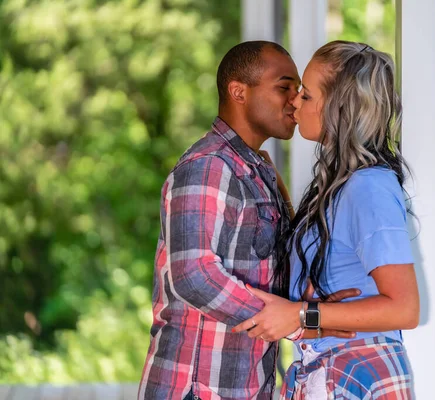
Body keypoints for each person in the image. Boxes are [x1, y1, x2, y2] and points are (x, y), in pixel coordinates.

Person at [138, 40, 358, 400]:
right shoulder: (209, 166)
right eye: (283, 87)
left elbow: (272, 275)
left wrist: (316, 309)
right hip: (196, 389)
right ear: (238, 91)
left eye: (300, 91)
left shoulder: (257, 170)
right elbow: (194, 275)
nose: (295, 99)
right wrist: (300, 321)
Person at [232, 41, 420, 399]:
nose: (294, 102)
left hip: (357, 371)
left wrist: (304, 315)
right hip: (327, 369)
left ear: (338, 109)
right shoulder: (341, 186)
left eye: (306, 95)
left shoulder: (369, 188)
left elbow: (404, 308)